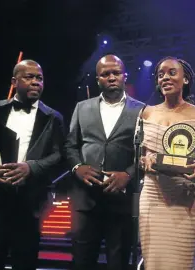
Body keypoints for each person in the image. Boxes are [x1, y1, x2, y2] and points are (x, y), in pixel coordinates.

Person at [0, 60, 65, 270]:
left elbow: (59, 156)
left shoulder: (53, 117)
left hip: (29, 201)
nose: (36, 82)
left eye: (39, 78)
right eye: (29, 77)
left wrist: (31, 167)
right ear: (14, 81)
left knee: (25, 261)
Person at [64, 54, 144, 270]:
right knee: (81, 261)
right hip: (85, 199)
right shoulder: (82, 107)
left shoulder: (142, 110)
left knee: (117, 263)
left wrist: (128, 174)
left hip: (122, 201)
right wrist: (77, 168)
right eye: (105, 74)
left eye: (116, 73)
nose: (111, 77)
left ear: (124, 76)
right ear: (98, 79)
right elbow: (70, 145)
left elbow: (145, 153)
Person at [139, 56, 195, 269]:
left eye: (172, 72)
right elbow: (142, 157)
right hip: (153, 195)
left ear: (186, 79)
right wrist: (146, 161)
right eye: (160, 74)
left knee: (179, 262)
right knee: (154, 262)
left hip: (184, 196)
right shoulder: (147, 112)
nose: (165, 78)